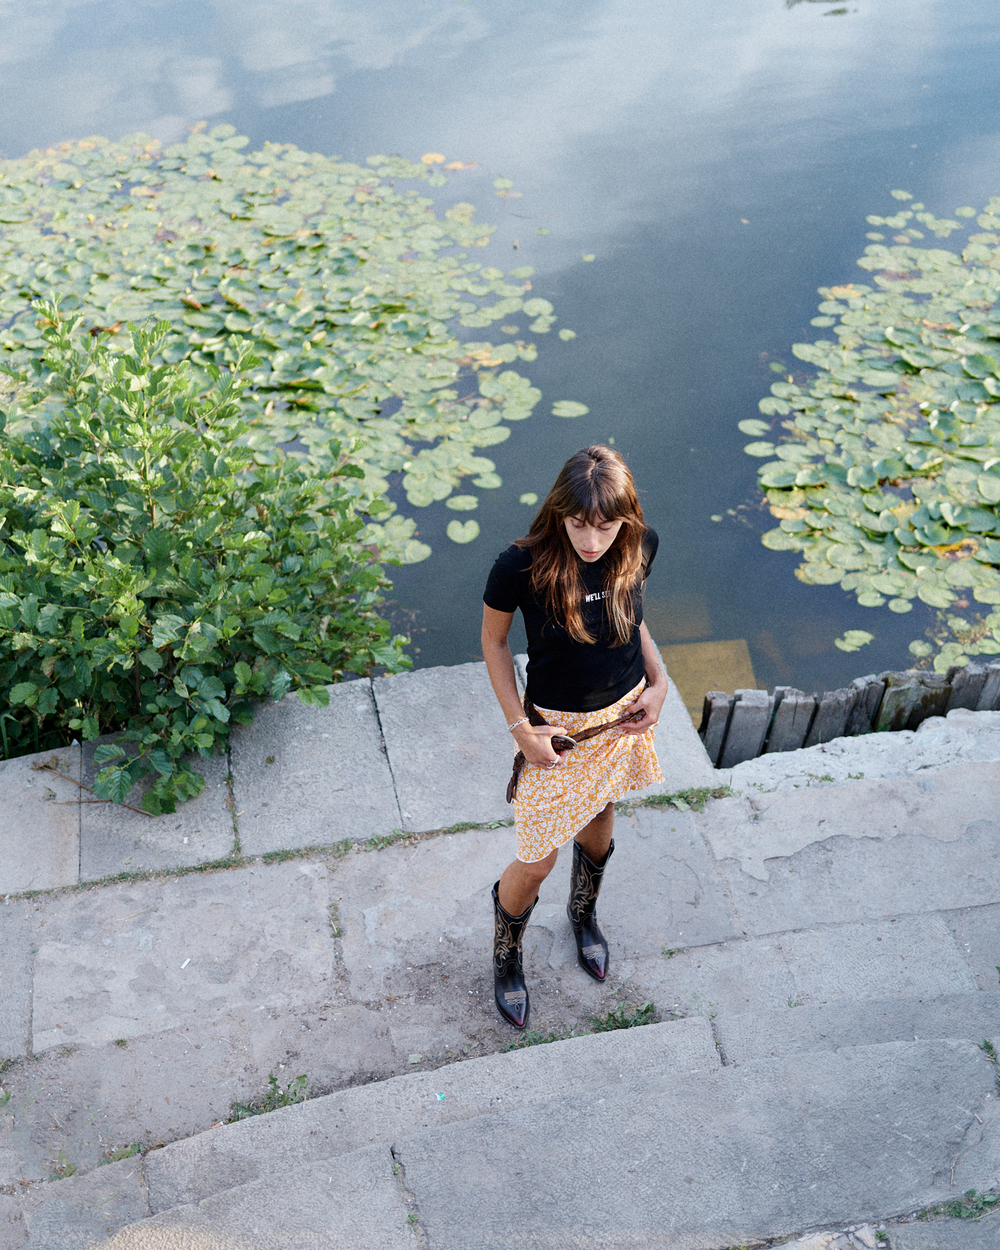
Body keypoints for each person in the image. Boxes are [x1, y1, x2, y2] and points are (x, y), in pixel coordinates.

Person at [481, 444, 668, 1029]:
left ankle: (583, 914)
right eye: (578, 524)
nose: (592, 540)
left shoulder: (641, 545)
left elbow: (633, 620)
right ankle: (506, 955)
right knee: (535, 860)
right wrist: (521, 729)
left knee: (600, 825)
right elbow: (493, 644)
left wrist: (660, 684)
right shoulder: (520, 565)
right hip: (554, 734)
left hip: (620, 718)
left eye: (606, 526)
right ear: (559, 511)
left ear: (626, 520)